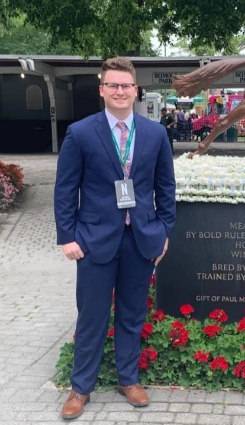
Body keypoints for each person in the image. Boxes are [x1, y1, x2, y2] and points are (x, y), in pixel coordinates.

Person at [54, 57, 176, 420]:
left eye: (126, 85)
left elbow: (166, 188)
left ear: (136, 90)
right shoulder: (80, 132)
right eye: (114, 85)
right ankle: (81, 388)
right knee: (91, 316)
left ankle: (128, 379)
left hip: (140, 240)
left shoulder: (155, 133)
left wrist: (164, 231)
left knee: (131, 314)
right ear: (102, 90)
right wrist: (67, 237)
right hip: (93, 240)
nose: (120, 91)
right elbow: (65, 190)